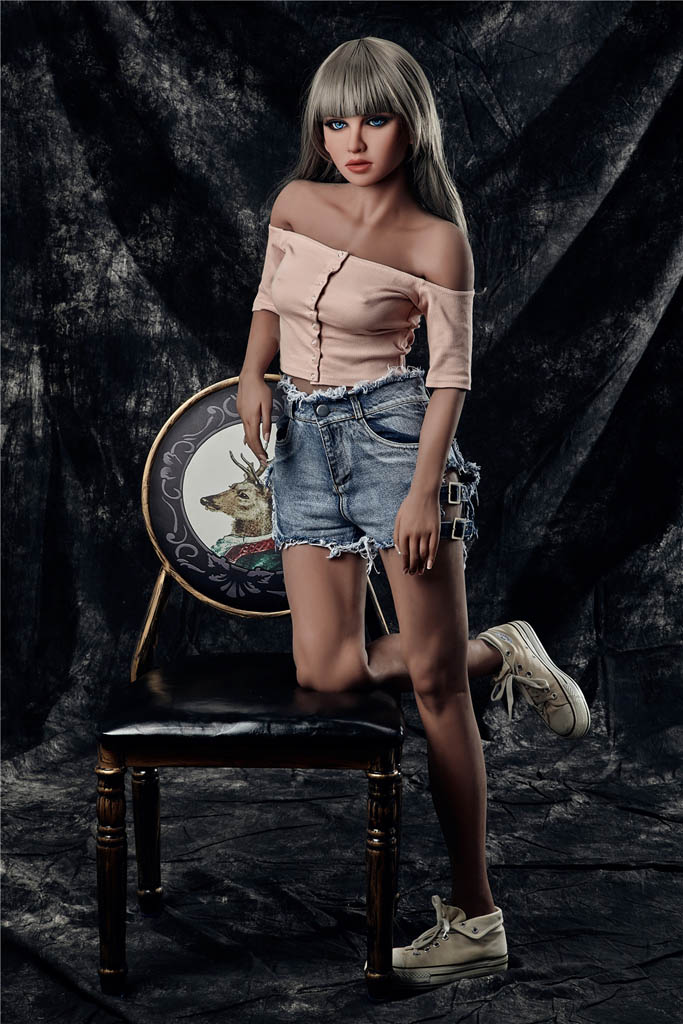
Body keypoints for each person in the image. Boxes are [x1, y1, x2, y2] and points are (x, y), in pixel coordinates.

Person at [237, 37, 590, 990]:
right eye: (335, 121)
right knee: (326, 670)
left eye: (375, 119)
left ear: (411, 126)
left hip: (394, 443)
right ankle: (499, 652)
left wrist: (425, 488)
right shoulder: (296, 202)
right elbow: (270, 298)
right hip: (303, 446)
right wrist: (252, 371)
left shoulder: (437, 240)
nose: (353, 140)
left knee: (435, 690)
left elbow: (449, 377)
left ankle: (476, 916)